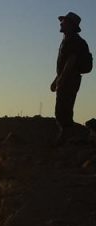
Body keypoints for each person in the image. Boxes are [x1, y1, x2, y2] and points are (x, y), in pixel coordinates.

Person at [51, 12, 90, 146]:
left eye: (64, 21)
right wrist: (56, 80)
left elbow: (71, 61)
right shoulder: (68, 40)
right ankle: (66, 138)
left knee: (64, 108)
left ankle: (66, 139)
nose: (61, 23)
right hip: (67, 78)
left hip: (70, 79)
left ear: (71, 25)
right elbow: (64, 64)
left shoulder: (74, 41)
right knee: (62, 108)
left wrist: (61, 79)